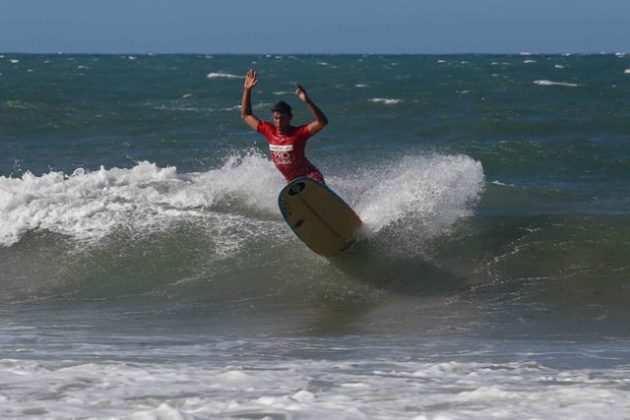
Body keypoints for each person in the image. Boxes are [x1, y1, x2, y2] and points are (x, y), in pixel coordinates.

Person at [240, 69, 329, 184]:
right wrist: (247, 90)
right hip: (292, 183)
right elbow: (246, 115)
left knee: (311, 184)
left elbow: (322, 122)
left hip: (311, 177)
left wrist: (307, 101)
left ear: (290, 118)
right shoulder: (268, 131)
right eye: (276, 118)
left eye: (282, 118)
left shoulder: (299, 133)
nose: (278, 122)